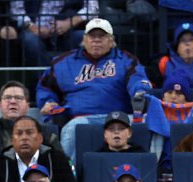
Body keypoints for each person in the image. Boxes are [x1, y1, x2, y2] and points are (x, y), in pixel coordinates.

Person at [35, 18, 152, 165]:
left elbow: (138, 80)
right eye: (92, 36)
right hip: (79, 119)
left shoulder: (125, 59)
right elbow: (46, 87)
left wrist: (139, 91)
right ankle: (68, 176)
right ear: (84, 39)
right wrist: (48, 101)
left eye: (101, 36)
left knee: (153, 123)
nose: (96, 40)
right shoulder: (64, 62)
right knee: (74, 127)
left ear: (112, 41)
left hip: (119, 118)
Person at [0, 1, 94, 66]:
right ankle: (49, 82)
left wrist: (70, 22)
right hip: (33, 31)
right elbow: (16, 10)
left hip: (67, 33)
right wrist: (32, 27)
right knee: (29, 40)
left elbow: (93, 7)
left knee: (88, 38)